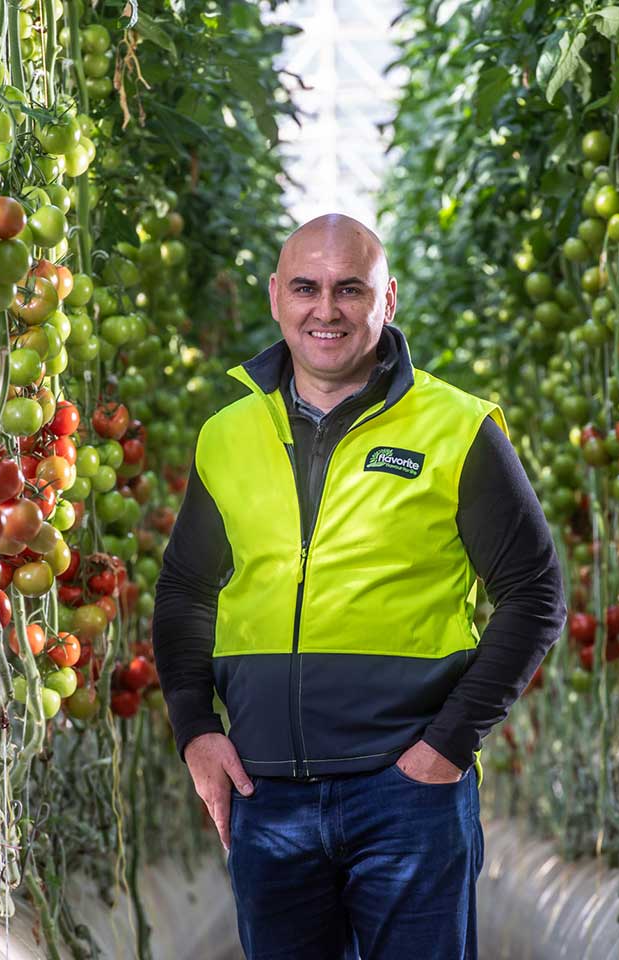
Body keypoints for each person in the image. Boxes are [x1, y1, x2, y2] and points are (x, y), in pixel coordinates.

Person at [151, 213, 565, 959]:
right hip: (266, 795)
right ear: (276, 296)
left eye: (350, 289)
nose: (326, 309)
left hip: (407, 795)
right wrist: (196, 728)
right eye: (306, 287)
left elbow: (535, 592)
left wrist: (447, 744)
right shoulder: (228, 434)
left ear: (388, 299)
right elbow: (186, 590)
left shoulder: (456, 427)